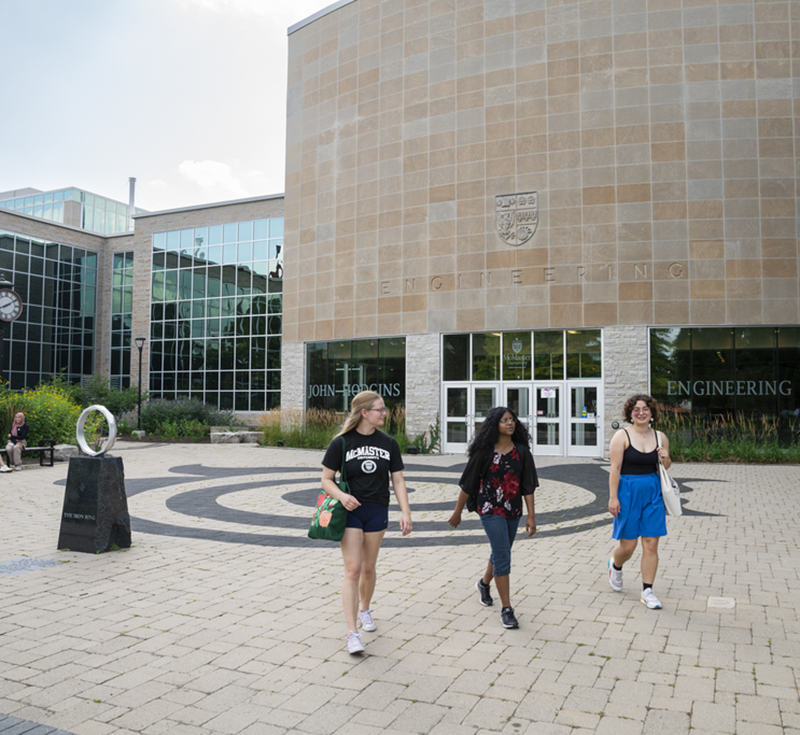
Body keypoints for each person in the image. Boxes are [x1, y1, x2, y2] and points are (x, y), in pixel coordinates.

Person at [320, 391, 412, 654]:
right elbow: (326, 480)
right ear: (364, 413)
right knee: (353, 569)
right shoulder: (341, 443)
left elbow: (398, 480)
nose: (384, 413)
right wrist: (341, 495)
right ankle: (352, 634)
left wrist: (406, 512)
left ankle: (365, 609)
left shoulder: (388, 443)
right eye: (379, 409)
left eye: (384, 409)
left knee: (369, 568)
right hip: (350, 511)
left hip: (377, 511)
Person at [448, 406, 538, 629]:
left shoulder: (522, 452)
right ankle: (507, 609)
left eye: (512, 420)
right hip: (489, 508)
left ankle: (483, 583)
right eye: (504, 420)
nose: (510, 423)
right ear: (494, 425)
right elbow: (468, 483)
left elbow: (528, 486)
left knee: (502, 550)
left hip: (513, 509)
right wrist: (457, 511)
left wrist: (531, 517)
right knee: (502, 555)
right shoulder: (484, 452)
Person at [607, 394, 671, 609]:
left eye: (645, 409)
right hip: (627, 493)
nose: (641, 413)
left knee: (651, 543)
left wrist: (665, 457)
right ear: (630, 413)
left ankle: (647, 590)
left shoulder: (660, 437)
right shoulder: (621, 436)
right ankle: (615, 566)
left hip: (653, 492)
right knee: (628, 547)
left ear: (652, 412)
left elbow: (666, 466)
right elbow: (615, 469)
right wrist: (613, 497)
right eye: (636, 409)